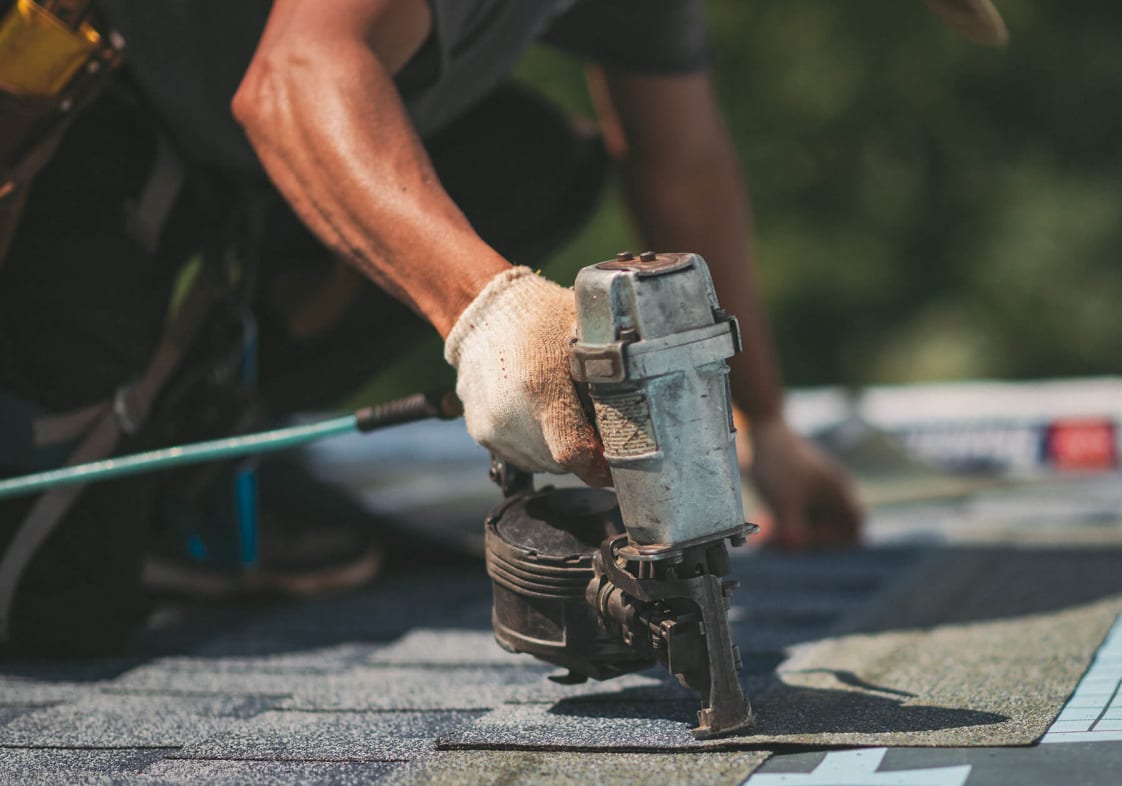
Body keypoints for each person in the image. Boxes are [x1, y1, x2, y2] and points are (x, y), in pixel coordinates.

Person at [0, 0, 1000, 655]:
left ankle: (181, 464)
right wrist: (492, 311)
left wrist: (766, 427)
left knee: (525, 160)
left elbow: (682, 164)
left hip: (203, 156)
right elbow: (295, 79)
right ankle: (115, 464)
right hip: (60, 123)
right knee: (57, 610)